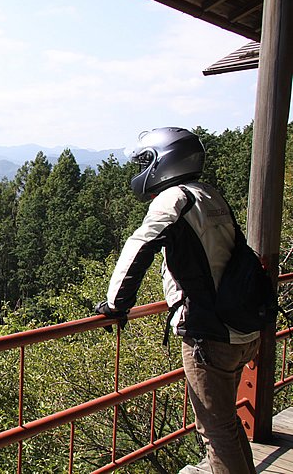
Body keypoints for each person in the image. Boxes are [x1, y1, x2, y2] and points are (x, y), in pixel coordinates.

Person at [94, 127, 260, 474]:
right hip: (240, 326)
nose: (140, 169)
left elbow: (139, 246)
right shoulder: (208, 194)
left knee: (215, 431)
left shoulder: (175, 200)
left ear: (162, 162)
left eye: (144, 161)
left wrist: (115, 305)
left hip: (208, 335)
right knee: (226, 425)